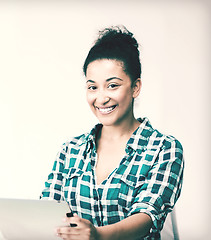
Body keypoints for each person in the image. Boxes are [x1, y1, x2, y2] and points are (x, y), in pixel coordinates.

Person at [40, 26, 184, 240]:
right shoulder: (70, 150)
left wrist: (98, 235)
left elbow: (147, 216)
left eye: (112, 85)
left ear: (135, 87)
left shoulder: (164, 148)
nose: (101, 98)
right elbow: (47, 212)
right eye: (92, 87)